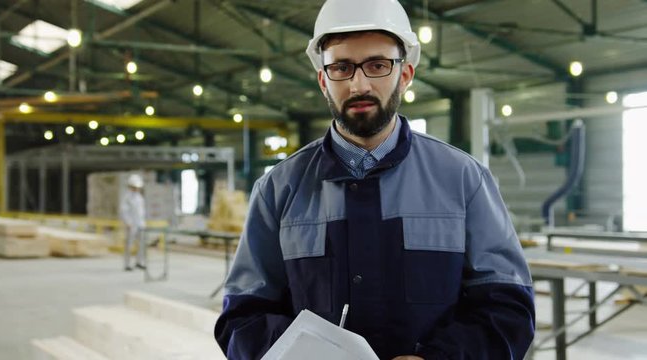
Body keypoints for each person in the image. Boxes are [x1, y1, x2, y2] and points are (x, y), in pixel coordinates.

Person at [214, 0, 535, 358]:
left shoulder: (463, 180)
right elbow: (241, 318)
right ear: (323, 80)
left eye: (378, 65)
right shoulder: (279, 189)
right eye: (341, 67)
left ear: (406, 74)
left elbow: (509, 310)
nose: (359, 84)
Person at [120, 173, 146, 271]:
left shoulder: (139, 197)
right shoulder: (127, 197)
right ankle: (127, 264)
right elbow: (124, 211)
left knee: (141, 243)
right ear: (130, 186)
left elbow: (142, 211)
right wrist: (128, 222)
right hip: (131, 224)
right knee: (129, 244)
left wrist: (143, 223)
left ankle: (139, 262)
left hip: (140, 223)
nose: (136, 189)